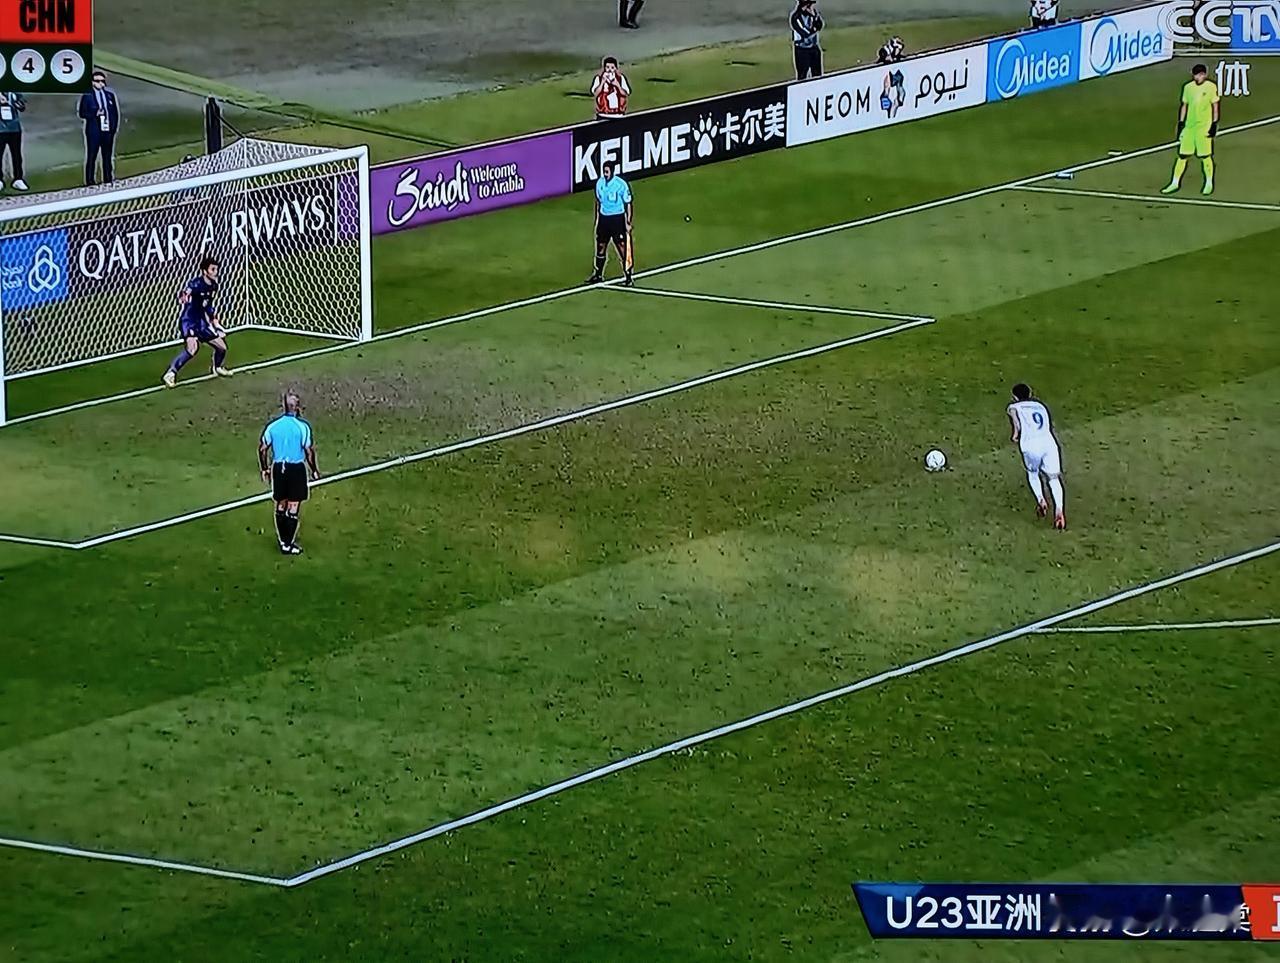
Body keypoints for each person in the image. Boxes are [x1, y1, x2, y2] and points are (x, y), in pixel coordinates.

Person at [259, 392, 320, 556]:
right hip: (296, 469)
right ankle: (287, 543)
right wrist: (314, 470)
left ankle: (283, 540)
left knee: (281, 504)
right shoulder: (302, 427)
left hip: (278, 468)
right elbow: (308, 451)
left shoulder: (273, 426)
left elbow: (263, 449)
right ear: (297, 408)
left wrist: (264, 468)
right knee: (293, 506)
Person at [163, 254, 233, 387]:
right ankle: (170, 373)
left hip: (201, 323)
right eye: (213, 269)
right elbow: (186, 292)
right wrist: (184, 296)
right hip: (189, 321)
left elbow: (208, 306)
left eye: (216, 269)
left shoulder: (213, 286)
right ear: (205, 271)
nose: (216, 272)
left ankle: (217, 367)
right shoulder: (195, 284)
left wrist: (215, 323)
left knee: (222, 347)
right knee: (192, 349)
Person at [1007, 383, 1066, 530]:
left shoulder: (1014, 407)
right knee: (1054, 478)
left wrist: (1015, 435)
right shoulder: (1040, 406)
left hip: (1030, 445)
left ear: (1015, 397)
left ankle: (1041, 500)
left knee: (1033, 473)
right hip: (1049, 443)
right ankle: (1059, 510)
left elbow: (1017, 424)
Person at [1162, 63, 1219, 196]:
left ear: (1205, 75)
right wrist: (1181, 123)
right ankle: (1175, 183)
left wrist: (1214, 124)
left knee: (1205, 156)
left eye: (1200, 75)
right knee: (1182, 155)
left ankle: (1209, 183)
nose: (1198, 77)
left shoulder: (1211, 87)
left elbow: (1215, 106)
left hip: (1203, 127)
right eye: (1196, 75)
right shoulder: (1188, 88)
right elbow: (1184, 105)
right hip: (1189, 127)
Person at [587, 159, 633, 286]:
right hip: (604, 219)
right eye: (604, 171)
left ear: (612, 171)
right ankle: (598, 274)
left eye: (607, 172)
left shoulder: (621, 184)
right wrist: (597, 218)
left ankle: (628, 276)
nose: (605, 174)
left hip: (617, 219)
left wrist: (628, 222)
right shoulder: (600, 183)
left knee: (621, 247)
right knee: (600, 246)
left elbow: (628, 204)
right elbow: (598, 201)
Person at [78, 68, 121, 186]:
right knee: (92, 156)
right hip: (94, 131)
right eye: (97, 81)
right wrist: (94, 114)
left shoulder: (109, 95)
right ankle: (90, 181)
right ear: (92, 82)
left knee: (107, 156)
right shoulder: (87, 96)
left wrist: (113, 129)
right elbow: (82, 113)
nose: (100, 83)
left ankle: (108, 178)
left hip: (107, 130)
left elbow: (115, 113)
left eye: (102, 81)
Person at [0, 92, 28, 191]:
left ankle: (18, 179)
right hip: (0, 129)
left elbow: (22, 107)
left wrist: (17, 103)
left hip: (14, 128)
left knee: (16, 155)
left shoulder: (14, 92)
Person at [791, 0, 824, 80]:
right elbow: (805, 33)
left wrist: (815, 16)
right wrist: (814, 28)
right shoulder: (796, 17)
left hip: (814, 48)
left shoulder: (814, 14)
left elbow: (820, 25)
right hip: (802, 50)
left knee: (817, 74)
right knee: (802, 75)